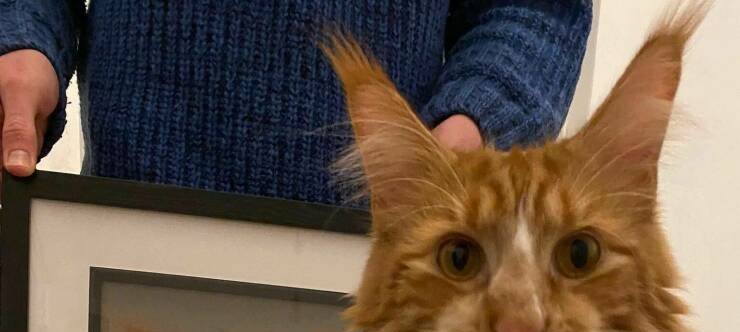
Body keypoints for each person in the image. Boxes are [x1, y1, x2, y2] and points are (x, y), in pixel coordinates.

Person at [0, 2, 592, 205]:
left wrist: (471, 123)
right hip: (120, 244)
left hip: (376, 259)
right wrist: (25, 37)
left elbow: (532, 7)